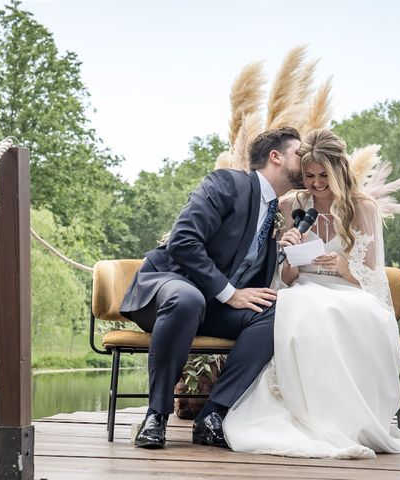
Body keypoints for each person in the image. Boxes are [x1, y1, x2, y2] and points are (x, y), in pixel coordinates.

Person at [222, 129, 400, 458]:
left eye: (324, 175)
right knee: (304, 307)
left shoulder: (362, 207)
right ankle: (305, 414)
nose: (316, 183)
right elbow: (284, 277)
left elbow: (371, 279)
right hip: (304, 287)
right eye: (309, 176)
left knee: (343, 312)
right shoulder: (291, 204)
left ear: (338, 171)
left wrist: (341, 265)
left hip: (350, 288)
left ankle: (346, 420)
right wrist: (289, 256)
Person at [119, 127, 305, 449]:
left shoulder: (277, 212)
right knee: (187, 298)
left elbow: (252, 272)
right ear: (276, 156)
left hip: (213, 307)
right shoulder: (225, 183)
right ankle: (156, 416)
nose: (307, 159)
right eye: (300, 154)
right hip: (169, 289)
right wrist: (231, 294)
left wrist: (284, 255)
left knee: (276, 312)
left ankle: (214, 413)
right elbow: (183, 241)